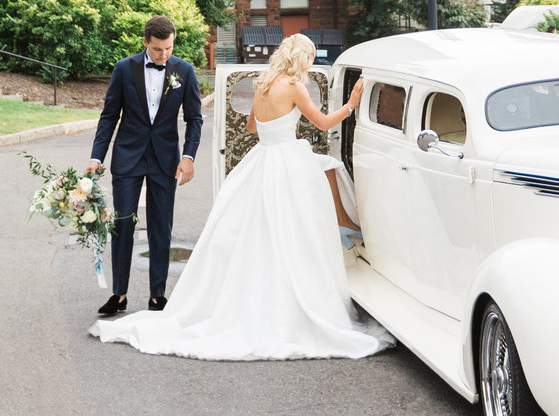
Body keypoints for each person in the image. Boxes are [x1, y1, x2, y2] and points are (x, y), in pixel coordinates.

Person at [91, 33, 391, 360]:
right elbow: (321, 123)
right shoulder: (293, 86)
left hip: (262, 158)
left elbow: (250, 127)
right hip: (286, 160)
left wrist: (275, 123)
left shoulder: (263, 84)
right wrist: (351, 104)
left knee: (254, 232)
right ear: (302, 59)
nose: (310, 64)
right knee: (295, 229)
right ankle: (341, 243)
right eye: (310, 58)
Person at [87, 14, 203, 318]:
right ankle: (119, 295)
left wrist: (188, 156)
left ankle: (158, 295)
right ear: (144, 43)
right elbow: (109, 116)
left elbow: (194, 119)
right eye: (157, 50)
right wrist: (96, 157)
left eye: (168, 49)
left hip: (165, 160)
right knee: (123, 223)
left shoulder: (185, 72)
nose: (163, 55)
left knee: (161, 226)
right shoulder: (124, 69)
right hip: (128, 157)